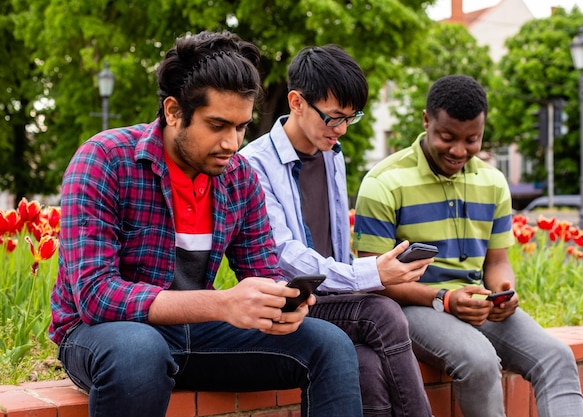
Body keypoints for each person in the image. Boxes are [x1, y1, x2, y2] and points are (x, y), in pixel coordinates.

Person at [49, 31, 363, 417]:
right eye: (217, 125)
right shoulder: (105, 159)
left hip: (195, 333)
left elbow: (263, 271)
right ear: (173, 111)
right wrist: (221, 303)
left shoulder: (239, 177)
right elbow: (96, 296)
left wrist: (282, 304)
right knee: (139, 349)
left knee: (329, 343)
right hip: (102, 336)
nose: (232, 143)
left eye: (241, 127)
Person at [353, 74, 583, 417]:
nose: (459, 151)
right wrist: (445, 299)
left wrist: (504, 290)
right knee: (479, 360)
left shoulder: (492, 182)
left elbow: (497, 261)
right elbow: (373, 279)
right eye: (447, 138)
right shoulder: (383, 182)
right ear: (426, 120)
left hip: (475, 302)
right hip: (412, 307)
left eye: (472, 139)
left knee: (557, 357)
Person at [240, 45, 433, 417]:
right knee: (384, 313)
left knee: (367, 364)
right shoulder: (254, 164)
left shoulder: (333, 153)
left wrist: (368, 276)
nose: (342, 129)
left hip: (334, 299)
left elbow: (338, 248)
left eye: (351, 118)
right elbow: (285, 256)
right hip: (290, 304)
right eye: (333, 117)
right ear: (296, 102)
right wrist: (372, 273)